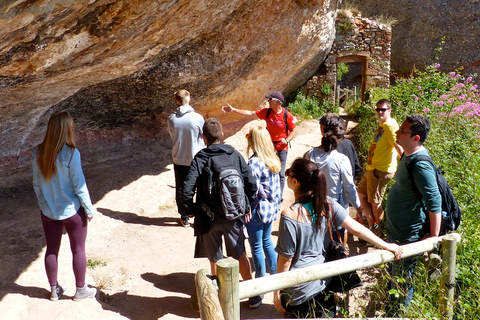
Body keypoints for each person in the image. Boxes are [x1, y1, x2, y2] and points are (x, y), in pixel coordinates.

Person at [273, 158, 401, 318]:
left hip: (298, 291)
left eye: (288, 173)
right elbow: (356, 228)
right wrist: (386, 245)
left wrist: (276, 291)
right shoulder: (327, 204)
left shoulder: (290, 214)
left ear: (295, 181)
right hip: (325, 282)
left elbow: (285, 259)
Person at [182, 118, 262, 308]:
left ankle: (220, 296)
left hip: (208, 217)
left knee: (215, 257)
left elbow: (186, 189)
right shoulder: (234, 154)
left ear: (203, 137)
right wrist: (247, 207)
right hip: (234, 216)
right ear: (222, 135)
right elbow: (251, 184)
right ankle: (253, 294)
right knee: (241, 254)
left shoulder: (201, 158)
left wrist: (190, 210)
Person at [32, 111, 97, 302]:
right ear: (67, 129)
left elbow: (36, 184)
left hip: (48, 211)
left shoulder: (38, 152)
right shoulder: (71, 153)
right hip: (71, 210)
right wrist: (89, 208)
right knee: (78, 250)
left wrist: (43, 205)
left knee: (52, 250)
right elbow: (79, 184)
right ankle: (80, 290)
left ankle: (54, 290)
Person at [385, 115, 441, 315]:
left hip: (407, 234)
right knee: (395, 275)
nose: (398, 133)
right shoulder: (408, 154)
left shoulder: (421, 164)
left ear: (416, 138)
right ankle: (392, 308)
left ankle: (399, 313)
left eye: (403, 131)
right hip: (396, 230)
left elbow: (434, 199)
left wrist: (434, 235)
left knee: (403, 279)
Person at [303, 116, 363, 249]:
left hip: (312, 207)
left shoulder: (309, 154)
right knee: (338, 241)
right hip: (334, 209)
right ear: (339, 138)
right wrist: (358, 209)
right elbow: (349, 188)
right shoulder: (341, 160)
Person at [222, 91, 297, 193]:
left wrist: (287, 140)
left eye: (270, 100)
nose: (268, 101)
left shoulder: (287, 115)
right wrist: (233, 110)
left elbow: (293, 130)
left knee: (279, 172)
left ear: (278, 102)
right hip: (268, 146)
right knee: (265, 168)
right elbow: (250, 113)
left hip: (281, 147)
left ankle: (278, 196)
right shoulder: (267, 112)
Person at [357, 99, 403, 233]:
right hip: (372, 169)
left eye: (383, 109)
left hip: (381, 170)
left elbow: (399, 146)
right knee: (361, 195)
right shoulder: (384, 125)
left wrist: (408, 163)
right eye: (378, 109)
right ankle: (373, 225)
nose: (380, 112)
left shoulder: (390, 126)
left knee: (375, 202)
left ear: (390, 110)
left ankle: (381, 232)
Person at [246, 126, 282, 279]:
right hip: (270, 209)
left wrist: (247, 208)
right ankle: (276, 277)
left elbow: (252, 189)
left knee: (256, 247)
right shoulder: (273, 159)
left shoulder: (254, 162)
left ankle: (259, 285)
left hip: (257, 209)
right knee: (267, 242)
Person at [168, 89, 205, 228]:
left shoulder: (171, 118)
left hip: (179, 157)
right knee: (200, 186)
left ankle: (184, 216)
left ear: (177, 101)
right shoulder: (197, 117)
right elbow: (203, 135)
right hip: (197, 157)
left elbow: (173, 136)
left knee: (181, 187)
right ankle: (199, 214)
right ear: (188, 99)